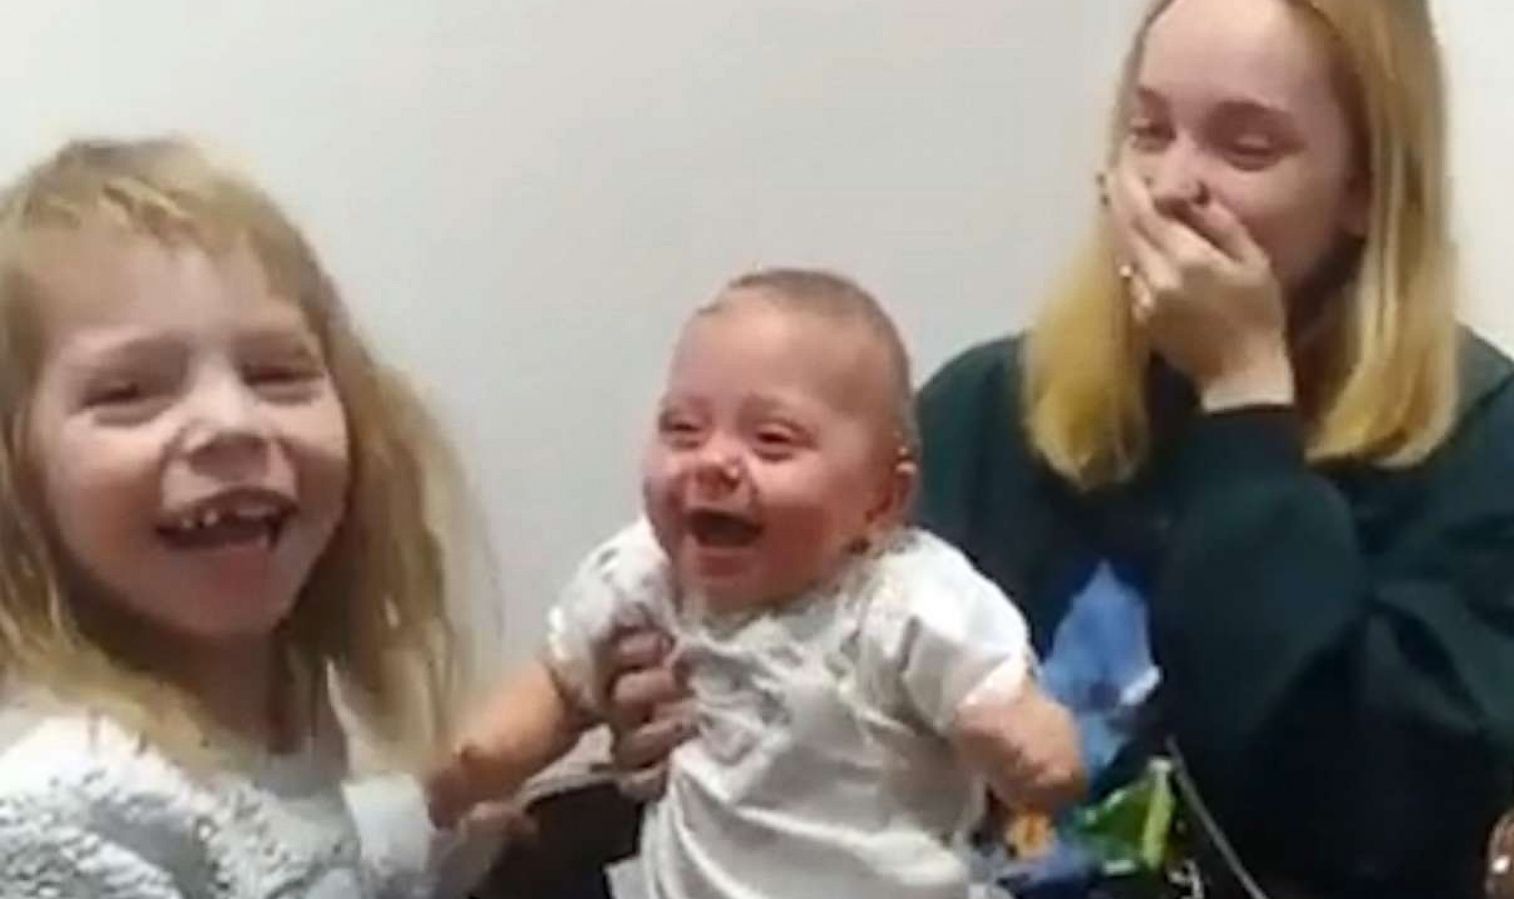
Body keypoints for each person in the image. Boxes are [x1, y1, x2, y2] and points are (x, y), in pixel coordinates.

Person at [597, 2, 1514, 897]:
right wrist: (702, 708)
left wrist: (1244, 402)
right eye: (1147, 131)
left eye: (1244, 146)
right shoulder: (989, 404)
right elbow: (833, 679)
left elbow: (1363, 820)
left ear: (1366, 190)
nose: (1168, 186)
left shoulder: (1495, 446)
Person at [427, 269, 1086, 899]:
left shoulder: (903, 600)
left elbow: (991, 698)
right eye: (681, 428)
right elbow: (560, 681)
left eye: (772, 440)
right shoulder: (645, 572)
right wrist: (475, 762)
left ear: (883, 499)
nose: (713, 461)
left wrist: (1023, 740)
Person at [0, 137, 493, 898]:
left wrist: (499, 778)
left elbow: (320, 844)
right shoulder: (67, 813)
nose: (232, 422)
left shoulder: (273, 718)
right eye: (129, 390)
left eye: (277, 372)